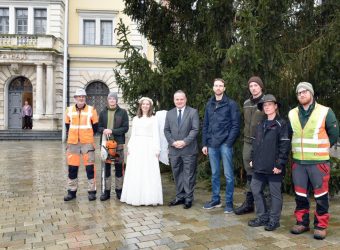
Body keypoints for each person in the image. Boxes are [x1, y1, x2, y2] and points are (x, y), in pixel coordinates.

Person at [289, 82, 338, 240]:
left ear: (311, 93)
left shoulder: (325, 111)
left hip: (319, 163)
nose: (302, 94)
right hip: (299, 163)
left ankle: (321, 225)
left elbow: (334, 133)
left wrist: (321, 150)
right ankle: (302, 222)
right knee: (300, 195)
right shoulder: (292, 114)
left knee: (321, 195)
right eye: (299, 93)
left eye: (305, 92)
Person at [247, 94, 291, 231]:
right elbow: (255, 144)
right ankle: (262, 217)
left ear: (275, 106)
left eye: (270, 104)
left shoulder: (282, 124)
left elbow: (284, 146)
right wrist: (252, 159)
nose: (267, 107)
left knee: (274, 194)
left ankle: (274, 220)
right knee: (255, 189)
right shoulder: (260, 125)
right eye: (265, 105)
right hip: (259, 166)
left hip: (274, 167)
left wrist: (280, 164)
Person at [202, 78, 241, 213]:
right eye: (216, 85)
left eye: (221, 86)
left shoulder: (231, 104)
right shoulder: (209, 104)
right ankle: (215, 199)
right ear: (213, 88)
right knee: (214, 174)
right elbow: (205, 125)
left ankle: (229, 203)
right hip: (212, 144)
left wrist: (228, 142)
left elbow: (236, 125)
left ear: (224, 88)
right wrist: (204, 143)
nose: (218, 88)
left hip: (225, 144)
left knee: (228, 175)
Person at [120, 97, 163, 206]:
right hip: (137, 146)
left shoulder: (153, 119)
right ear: (140, 106)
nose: (145, 106)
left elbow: (156, 135)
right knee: (136, 170)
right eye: (143, 104)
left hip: (149, 147)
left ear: (150, 106)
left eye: (147, 104)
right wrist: (130, 147)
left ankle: (148, 197)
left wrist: (157, 149)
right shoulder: (135, 119)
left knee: (148, 171)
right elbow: (132, 135)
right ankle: (135, 196)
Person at [235, 76, 266, 215]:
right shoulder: (246, 103)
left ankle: (264, 204)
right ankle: (249, 203)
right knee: (249, 171)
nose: (253, 88)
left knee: (261, 171)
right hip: (247, 142)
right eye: (251, 86)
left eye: (256, 85)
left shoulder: (267, 102)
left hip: (262, 143)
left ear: (261, 87)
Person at [164, 90, 199, 209]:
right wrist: (173, 142)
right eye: (177, 99)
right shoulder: (169, 113)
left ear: (185, 99)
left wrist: (184, 142)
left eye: (181, 99)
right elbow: (166, 130)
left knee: (188, 175)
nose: (179, 101)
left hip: (188, 149)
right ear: (174, 100)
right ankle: (180, 196)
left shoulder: (193, 112)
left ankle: (188, 198)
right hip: (174, 150)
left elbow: (195, 129)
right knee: (177, 174)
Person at [64, 88, 99, 201]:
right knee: (72, 168)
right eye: (79, 97)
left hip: (87, 143)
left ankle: (92, 191)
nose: (81, 98)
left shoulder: (91, 109)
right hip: (73, 143)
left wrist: (87, 136)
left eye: (83, 96)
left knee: (90, 168)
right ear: (75, 98)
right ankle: (71, 192)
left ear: (85, 98)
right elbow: (67, 125)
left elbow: (95, 126)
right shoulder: (69, 110)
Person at [98, 92, 129, 201]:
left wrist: (113, 131)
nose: (112, 100)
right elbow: (99, 127)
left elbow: (125, 128)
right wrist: (104, 130)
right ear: (108, 100)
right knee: (106, 168)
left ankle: (119, 191)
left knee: (119, 167)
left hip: (118, 144)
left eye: (113, 99)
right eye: (110, 98)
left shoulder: (123, 112)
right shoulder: (102, 113)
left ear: (116, 100)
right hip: (105, 143)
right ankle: (106, 192)